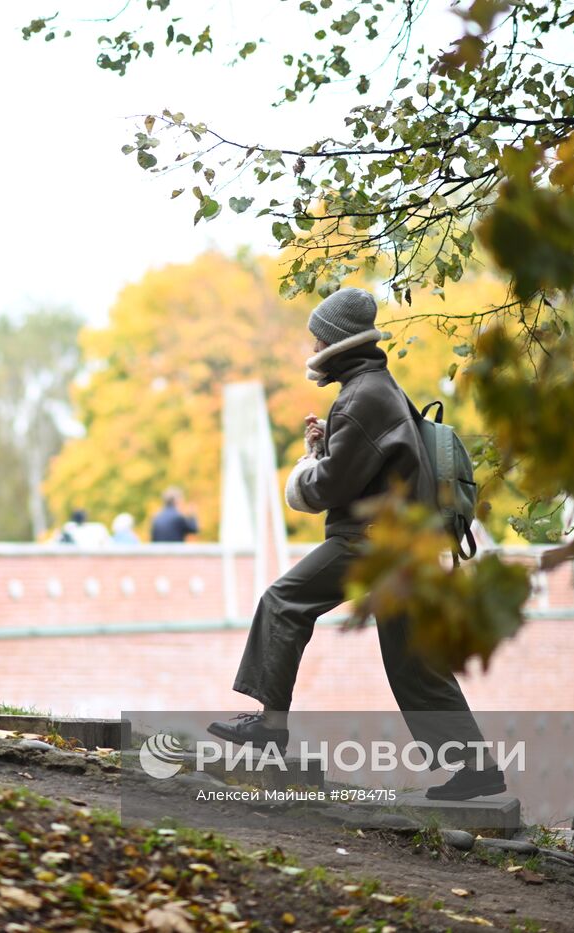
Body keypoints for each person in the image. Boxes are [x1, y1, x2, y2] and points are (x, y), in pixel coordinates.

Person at [206, 287, 502, 801]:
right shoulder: (377, 388)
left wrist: (305, 469)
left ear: (338, 342)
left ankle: (270, 727)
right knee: (414, 662)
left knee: (283, 601)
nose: (313, 342)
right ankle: (476, 770)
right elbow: (365, 465)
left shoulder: (362, 397)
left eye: (318, 334)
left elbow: (329, 489)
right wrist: (328, 446)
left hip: (371, 541)